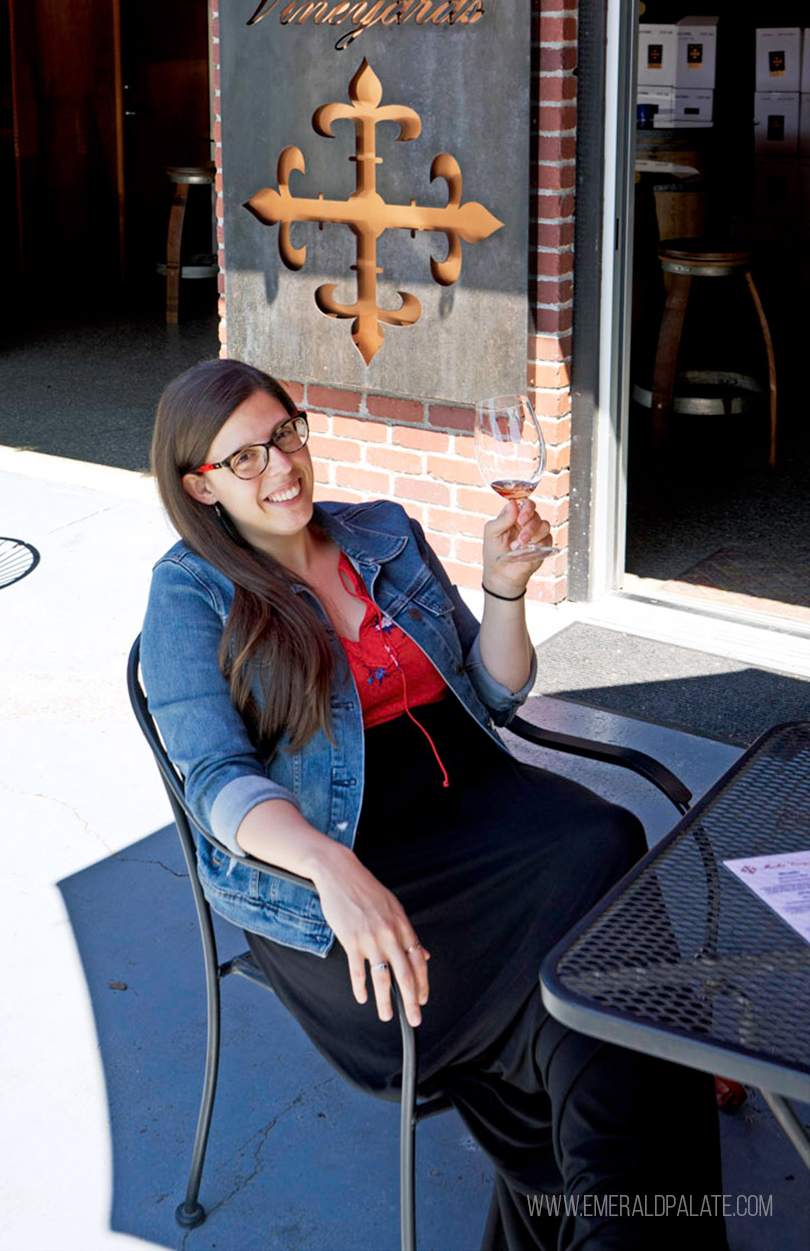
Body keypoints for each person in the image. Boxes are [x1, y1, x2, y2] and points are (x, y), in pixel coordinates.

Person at [140, 358, 727, 1250]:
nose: (284, 466)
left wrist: (503, 591)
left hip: (480, 812)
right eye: (247, 458)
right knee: (596, 970)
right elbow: (215, 781)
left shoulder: (381, 533)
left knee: (604, 844)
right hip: (340, 877)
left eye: (286, 433)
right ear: (200, 485)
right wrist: (333, 866)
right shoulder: (191, 592)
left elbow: (493, 698)